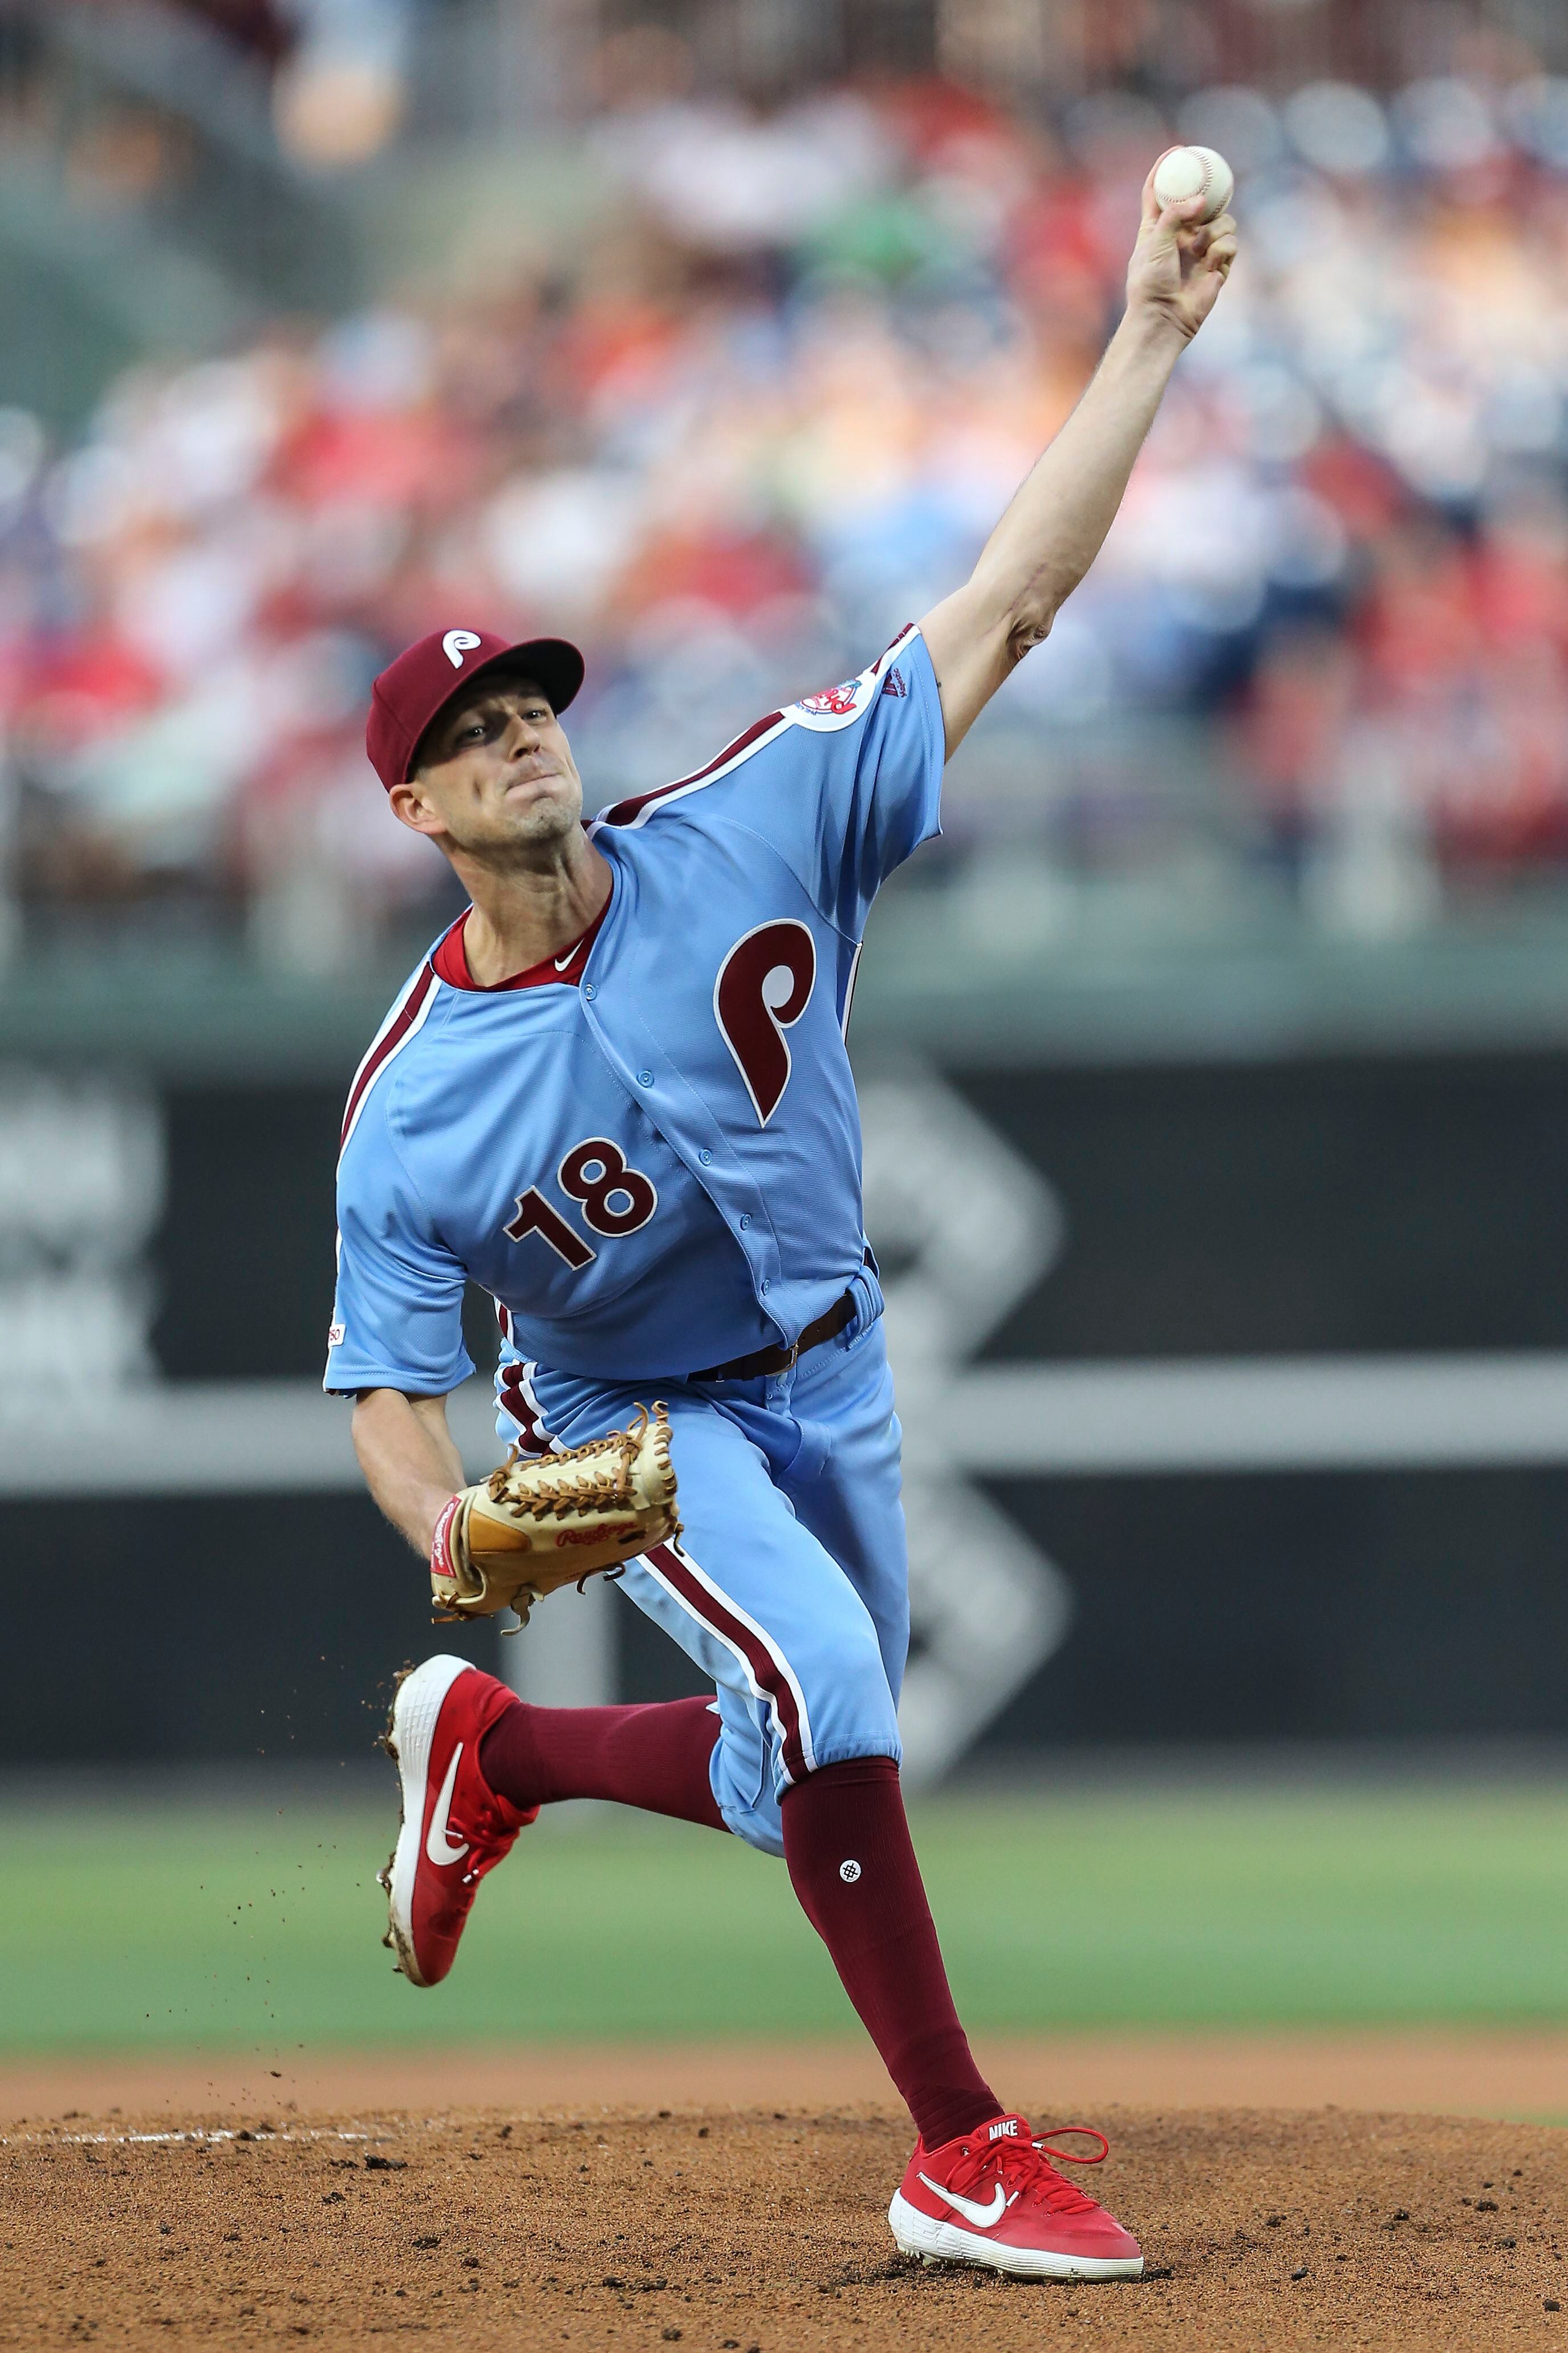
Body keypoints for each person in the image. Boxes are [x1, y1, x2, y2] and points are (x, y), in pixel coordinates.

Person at [327, 166, 1236, 2282]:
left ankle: (498, 1754)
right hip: (639, 1421)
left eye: (528, 699)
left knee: (792, 1763)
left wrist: (1152, 340)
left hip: (839, 1369)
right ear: (420, 814)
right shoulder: (409, 1107)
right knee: (825, 1689)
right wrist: (448, 1527)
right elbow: (389, 1382)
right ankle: (960, 2147)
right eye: (467, 735)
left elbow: (1009, 598)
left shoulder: (751, 815)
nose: (517, 732)